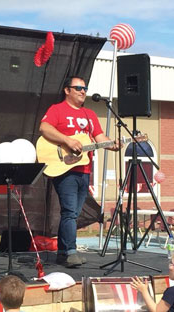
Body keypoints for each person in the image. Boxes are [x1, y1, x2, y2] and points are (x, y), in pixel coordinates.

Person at [39, 76, 120, 268]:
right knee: (70, 211)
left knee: (73, 212)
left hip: (84, 170)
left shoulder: (90, 114)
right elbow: (44, 128)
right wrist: (67, 141)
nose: (83, 91)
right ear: (67, 90)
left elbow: (99, 137)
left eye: (85, 88)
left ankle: (62, 252)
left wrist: (113, 144)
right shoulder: (57, 109)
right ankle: (71, 252)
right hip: (65, 170)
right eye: (78, 88)